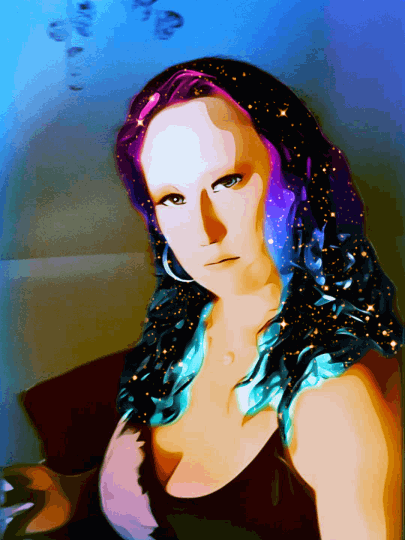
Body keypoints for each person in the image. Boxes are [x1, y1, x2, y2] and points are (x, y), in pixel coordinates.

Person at [100, 57, 404, 540]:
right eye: (173, 199)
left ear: (299, 178)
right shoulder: (183, 331)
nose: (204, 231)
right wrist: (66, 493)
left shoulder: (337, 399)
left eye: (228, 182)